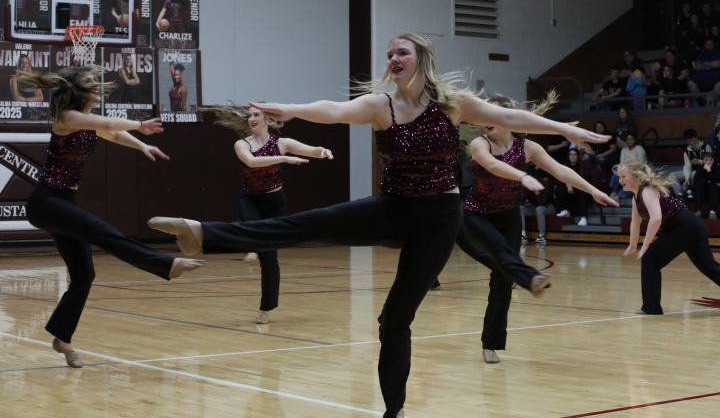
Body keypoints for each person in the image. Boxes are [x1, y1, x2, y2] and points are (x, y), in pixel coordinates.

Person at [146, 33, 610, 418]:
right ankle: (203, 233)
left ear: (422, 60)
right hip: (392, 206)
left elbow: (510, 116)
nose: (393, 59)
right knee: (308, 224)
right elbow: (332, 109)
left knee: (394, 321)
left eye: (402, 52)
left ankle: (395, 412)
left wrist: (567, 130)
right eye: (390, 54)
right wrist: (289, 108)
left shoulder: (452, 106)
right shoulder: (379, 105)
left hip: (437, 218)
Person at [14, 65, 203, 369]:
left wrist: (142, 144)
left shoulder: (86, 121)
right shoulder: (69, 117)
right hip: (47, 201)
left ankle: (62, 337)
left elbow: (112, 132)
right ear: (78, 92)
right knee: (103, 232)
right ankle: (166, 263)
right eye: (90, 83)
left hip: (63, 201)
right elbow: (107, 122)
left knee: (85, 274)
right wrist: (140, 125)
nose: (98, 86)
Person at [460, 92, 617, 364]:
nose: (487, 120)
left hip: (509, 215)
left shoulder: (527, 147)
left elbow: (561, 171)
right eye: (483, 115)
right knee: (499, 252)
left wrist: (592, 190)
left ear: (508, 117)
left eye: (492, 114)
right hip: (477, 215)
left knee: (501, 280)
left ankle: (491, 343)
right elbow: (491, 165)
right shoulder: (478, 143)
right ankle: (530, 277)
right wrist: (522, 175)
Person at [201, 103, 334, 324]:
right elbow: (252, 163)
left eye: (256, 115)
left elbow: (311, 150)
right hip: (250, 200)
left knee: (270, 257)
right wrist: (283, 159)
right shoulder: (242, 144)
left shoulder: (282, 143)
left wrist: (322, 151)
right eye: (249, 116)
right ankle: (253, 246)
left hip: (274, 202)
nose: (252, 119)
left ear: (267, 119)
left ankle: (265, 307)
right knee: (253, 229)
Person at [618, 159, 720, 315]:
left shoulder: (647, 191)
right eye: (619, 177)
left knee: (650, 260)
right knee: (710, 267)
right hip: (691, 227)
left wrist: (645, 245)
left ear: (636, 176)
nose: (620, 180)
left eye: (624, 176)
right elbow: (635, 222)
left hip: (684, 227)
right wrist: (632, 245)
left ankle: (652, 308)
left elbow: (656, 219)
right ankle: (651, 307)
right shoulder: (636, 197)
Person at [555, 148, 601, 226]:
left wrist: (587, 184)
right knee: (559, 189)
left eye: (575, 154)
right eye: (571, 155)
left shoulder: (584, 164)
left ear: (578, 156)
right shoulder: (565, 166)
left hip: (583, 189)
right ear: (568, 156)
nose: (572, 157)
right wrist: (568, 184)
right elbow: (560, 178)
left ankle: (584, 218)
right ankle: (566, 210)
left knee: (582, 190)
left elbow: (596, 175)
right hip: (570, 190)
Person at [670, 128, 713, 199]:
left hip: (704, 171)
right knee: (672, 175)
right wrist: (687, 179)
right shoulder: (687, 152)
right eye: (689, 141)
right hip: (690, 171)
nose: (691, 143)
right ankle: (681, 196)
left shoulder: (706, 147)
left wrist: (699, 161)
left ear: (696, 138)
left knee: (694, 173)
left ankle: (693, 192)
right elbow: (687, 166)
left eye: (692, 140)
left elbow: (711, 162)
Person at [609, 132, 646, 199]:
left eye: (631, 139)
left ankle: (618, 196)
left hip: (639, 172)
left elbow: (641, 164)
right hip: (626, 171)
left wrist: (630, 170)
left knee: (631, 181)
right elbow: (621, 163)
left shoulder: (639, 149)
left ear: (635, 140)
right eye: (628, 140)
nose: (630, 141)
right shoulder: (624, 150)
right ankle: (614, 191)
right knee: (617, 169)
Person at [688, 37, 720, 106]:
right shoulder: (701, 55)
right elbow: (698, 66)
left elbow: (717, 64)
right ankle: (700, 101)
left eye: (711, 44)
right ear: (705, 46)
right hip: (702, 79)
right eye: (707, 44)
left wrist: (705, 63)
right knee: (690, 83)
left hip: (716, 79)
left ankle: (713, 101)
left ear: (714, 45)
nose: (709, 45)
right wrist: (712, 64)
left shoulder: (718, 54)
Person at [692, 152, 720, 219]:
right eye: (706, 160)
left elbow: (716, 181)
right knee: (699, 185)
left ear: (713, 160)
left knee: (713, 186)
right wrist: (708, 181)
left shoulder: (717, 168)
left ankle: (712, 211)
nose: (708, 162)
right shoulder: (700, 168)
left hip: (714, 192)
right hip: (703, 192)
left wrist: (709, 171)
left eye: (710, 160)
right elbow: (695, 180)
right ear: (703, 161)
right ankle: (698, 210)